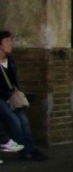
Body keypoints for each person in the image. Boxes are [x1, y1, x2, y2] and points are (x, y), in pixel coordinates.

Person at [0, 30, 48, 161]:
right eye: (7, 41)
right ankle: (24, 150)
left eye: (11, 41)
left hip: (11, 95)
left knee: (24, 121)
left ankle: (31, 150)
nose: (11, 44)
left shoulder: (10, 60)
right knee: (13, 120)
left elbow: (13, 81)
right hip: (1, 97)